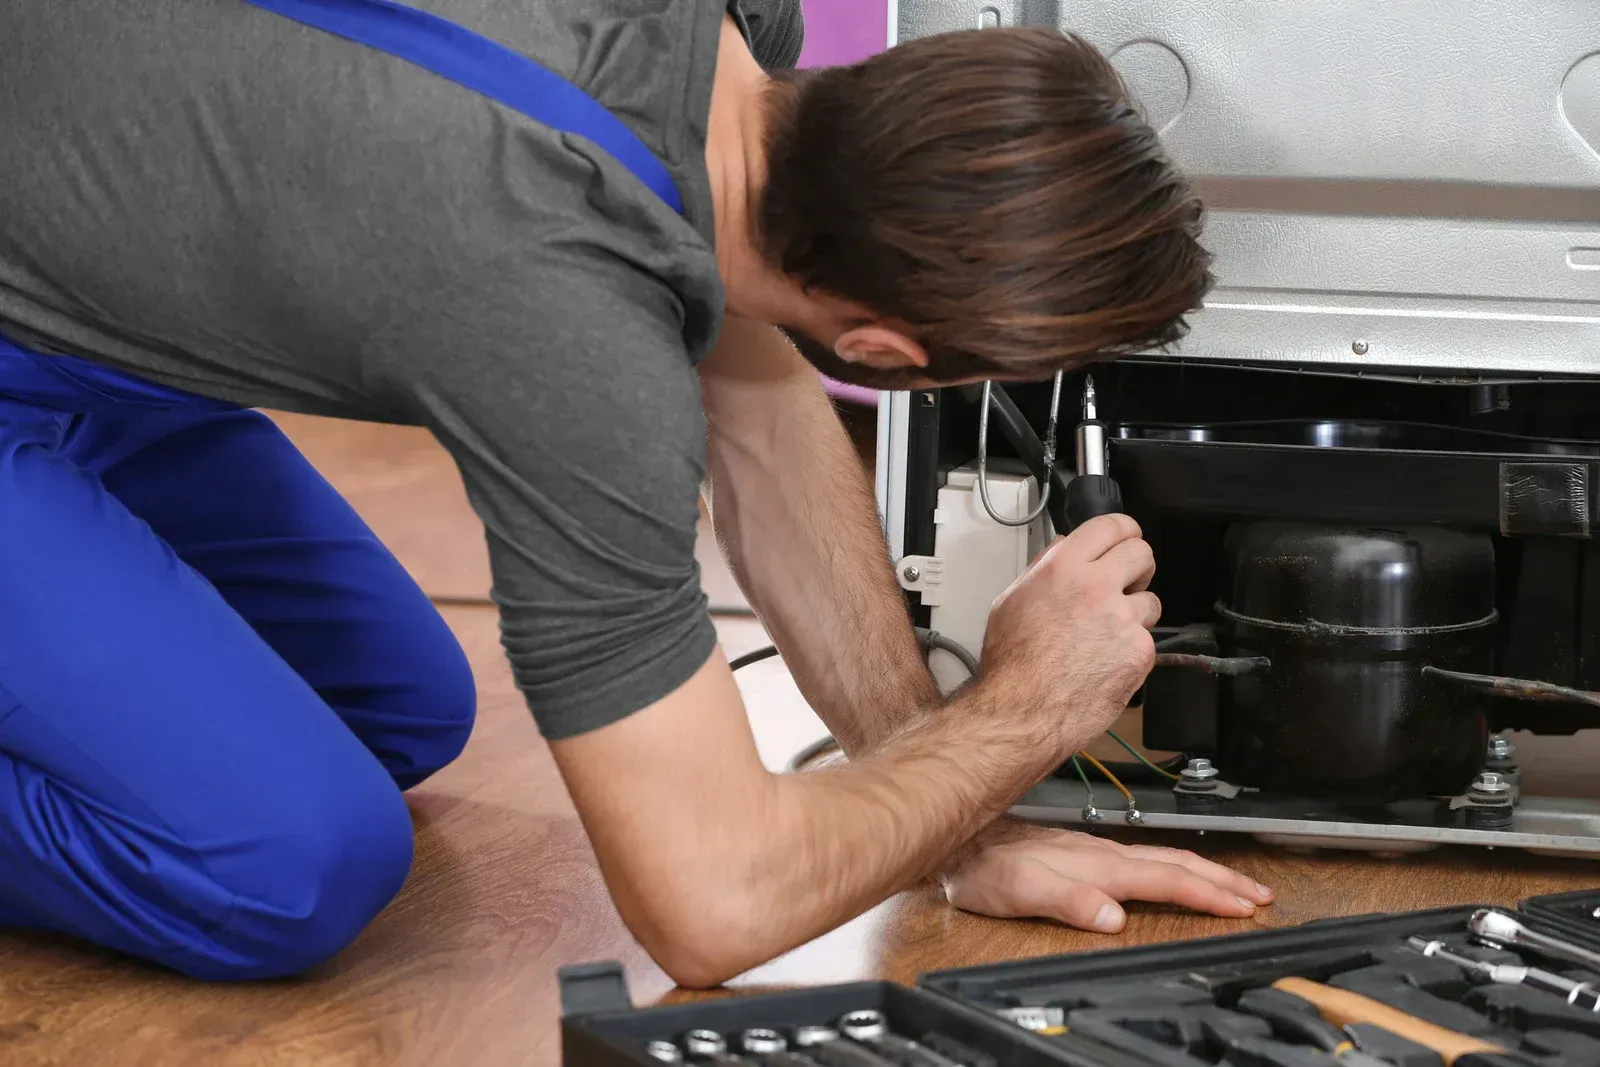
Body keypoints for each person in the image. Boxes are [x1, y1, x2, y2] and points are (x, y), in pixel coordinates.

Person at [0, 0, 1271, 986]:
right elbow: (709, 906)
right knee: (284, 865)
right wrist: (1019, 709)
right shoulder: (559, 318)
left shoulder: (737, 71)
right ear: (886, 357)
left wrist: (960, 820)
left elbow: (763, 414)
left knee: (400, 710)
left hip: (91, 331)